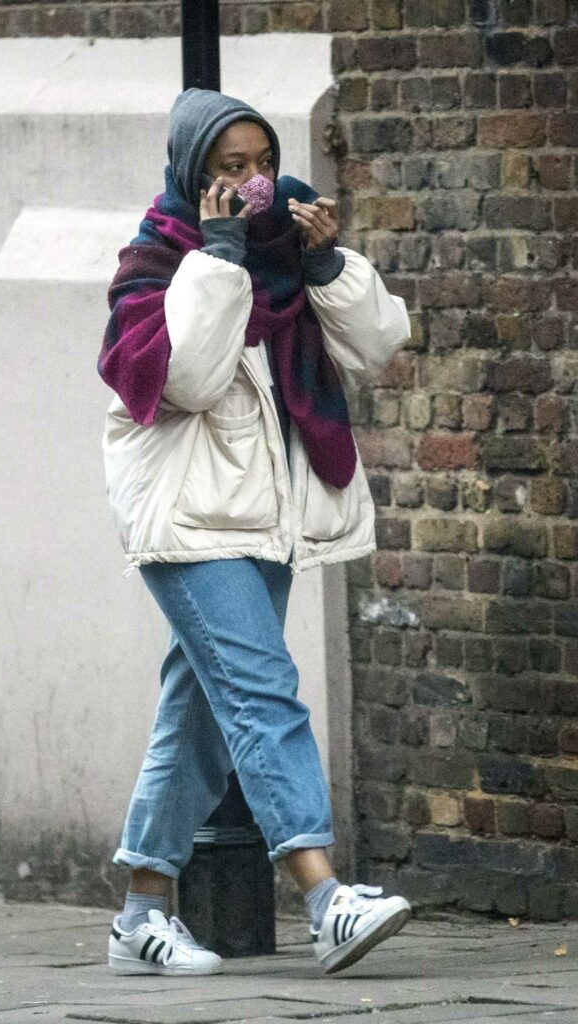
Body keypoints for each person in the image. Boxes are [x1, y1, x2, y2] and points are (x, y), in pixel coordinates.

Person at [97, 88, 412, 978]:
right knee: (263, 690)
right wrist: (221, 253)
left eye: (260, 163)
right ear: (194, 174)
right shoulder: (160, 256)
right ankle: (323, 896)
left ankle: (141, 914)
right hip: (186, 512)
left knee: (200, 712)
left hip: (263, 510)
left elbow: (378, 343)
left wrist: (323, 265)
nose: (250, 182)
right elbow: (189, 375)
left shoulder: (285, 252)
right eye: (228, 168)